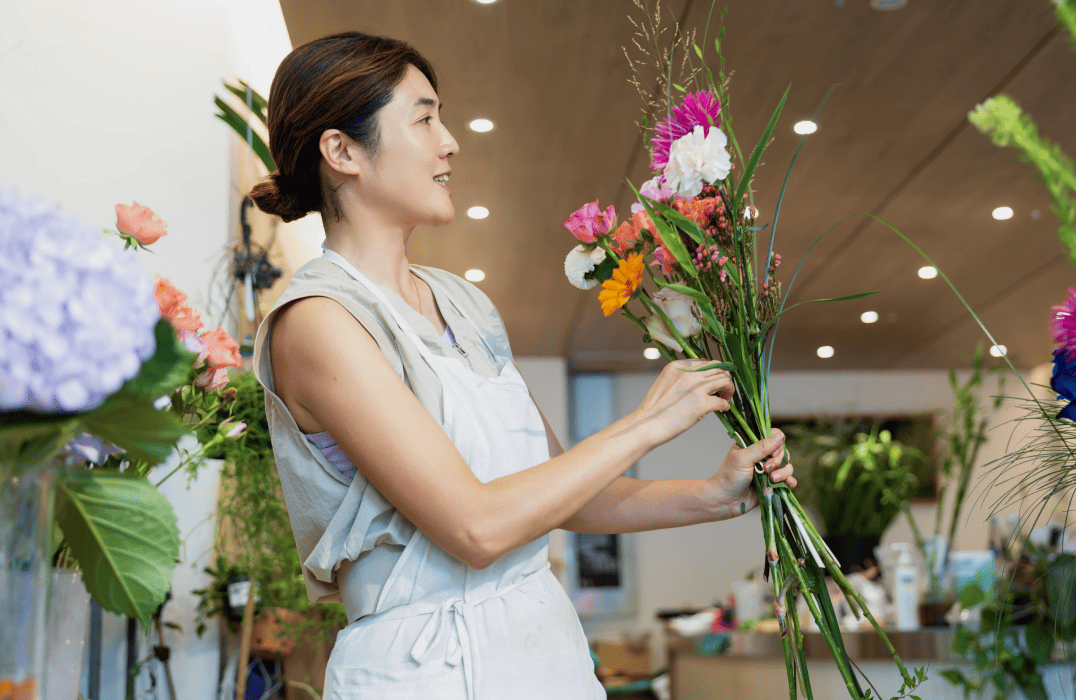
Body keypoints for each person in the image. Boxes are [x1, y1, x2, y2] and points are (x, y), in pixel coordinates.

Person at [249, 32, 795, 699]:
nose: (449, 142)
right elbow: (476, 528)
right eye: (424, 119)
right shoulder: (318, 323)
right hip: (422, 674)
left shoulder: (463, 303)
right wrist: (646, 424)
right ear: (342, 151)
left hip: (544, 655)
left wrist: (712, 494)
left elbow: (563, 491)